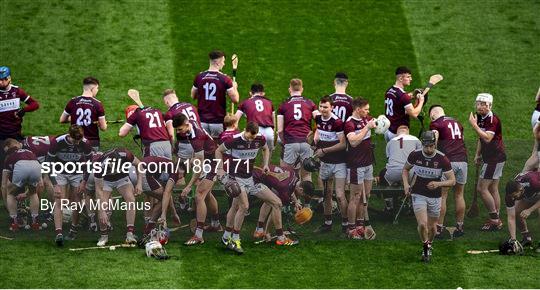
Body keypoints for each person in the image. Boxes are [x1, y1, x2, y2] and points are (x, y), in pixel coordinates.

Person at [215, 121, 271, 254]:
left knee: (235, 207)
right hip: (235, 177)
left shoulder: (259, 138)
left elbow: (266, 148)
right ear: (245, 130)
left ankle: (225, 236)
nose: (251, 139)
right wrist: (220, 169)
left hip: (249, 178)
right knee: (244, 206)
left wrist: (266, 164)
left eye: (253, 137)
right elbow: (218, 150)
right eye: (249, 136)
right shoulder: (234, 140)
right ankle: (235, 238)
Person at [402, 131, 455, 262]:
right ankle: (425, 246)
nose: (429, 149)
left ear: (435, 144)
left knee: (432, 228)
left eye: (432, 146)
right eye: (427, 146)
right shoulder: (415, 155)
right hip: (418, 193)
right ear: (422, 144)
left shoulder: (442, 159)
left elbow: (452, 180)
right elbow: (405, 170)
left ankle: (429, 244)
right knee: (422, 224)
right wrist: (406, 185)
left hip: (435, 196)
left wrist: (438, 183)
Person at [170, 114, 222, 246]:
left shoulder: (196, 136)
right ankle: (216, 224)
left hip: (211, 163)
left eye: (180, 129)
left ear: (186, 124)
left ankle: (198, 236)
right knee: (207, 194)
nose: (178, 132)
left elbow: (198, 168)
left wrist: (188, 186)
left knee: (199, 195)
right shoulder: (191, 124)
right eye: (176, 130)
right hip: (207, 159)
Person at [46, 125, 93, 246]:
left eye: (79, 141)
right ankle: (59, 233)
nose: (77, 143)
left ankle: (73, 229)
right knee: (59, 200)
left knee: (77, 201)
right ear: (69, 135)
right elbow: (48, 164)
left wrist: (84, 181)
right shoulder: (57, 142)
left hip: (77, 172)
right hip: (60, 171)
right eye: (74, 141)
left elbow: (89, 164)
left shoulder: (85, 143)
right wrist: (55, 184)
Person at [468, 93, 506, 231]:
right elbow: (480, 137)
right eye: (478, 103)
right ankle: (496, 217)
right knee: (493, 188)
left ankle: (495, 219)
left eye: (483, 104)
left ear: (489, 105)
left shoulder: (492, 119)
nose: (480, 106)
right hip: (492, 157)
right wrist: (478, 154)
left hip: (494, 158)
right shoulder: (480, 117)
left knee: (482, 188)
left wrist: (474, 126)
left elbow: (488, 138)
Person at [428, 105, 468, 238]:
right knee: (459, 194)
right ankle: (460, 226)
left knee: (442, 196)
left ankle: (439, 228)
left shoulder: (436, 123)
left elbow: (434, 137)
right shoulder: (457, 122)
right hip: (463, 160)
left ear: (433, 114)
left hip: (448, 162)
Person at [252, 164, 314, 245]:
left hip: (258, 171)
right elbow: (274, 212)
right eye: (303, 195)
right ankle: (279, 237)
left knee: (269, 200)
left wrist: (296, 202)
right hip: (253, 180)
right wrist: (268, 231)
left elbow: (290, 187)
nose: (301, 196)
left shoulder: (295, 175)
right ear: (301, 190)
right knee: (276, 204)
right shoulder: (285, 191)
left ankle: (259, 230)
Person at [313, 96, 348, 233]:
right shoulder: (318, 118)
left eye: (325, 107)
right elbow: (319, 133)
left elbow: (343, 144)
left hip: (339, 163)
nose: (322, 110)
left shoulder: (337, 122)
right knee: (326, 194)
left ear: (332, 107)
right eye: (321, 106)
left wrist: (324, 150)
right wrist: (315, 143)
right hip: (325, 163)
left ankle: (346, 224)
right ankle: (327, 223)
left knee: (339, 195)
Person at [92, 148, 141, 246]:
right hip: (105, 180)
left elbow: (139, 165)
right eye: (112, 167)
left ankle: (130, 233)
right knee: (103, 205)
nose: (114, 169)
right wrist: (102, 212)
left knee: (130, 199)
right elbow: (99, 190)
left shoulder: (126, 154)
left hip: (121, 177)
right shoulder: (99, 165)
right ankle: (103, 236)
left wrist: (139, 184)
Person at [344, 98, 377, 239]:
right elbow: (353, 142)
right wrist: (367, 128)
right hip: (356, 165)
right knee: (355, 197)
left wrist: (380, 122)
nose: (368, 112)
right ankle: (351, 228)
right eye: (366, 109)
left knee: (366, 196)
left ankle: (360, 225)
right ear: (358, 109)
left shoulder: (366, 119)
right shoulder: (349, 123)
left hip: (368, 164)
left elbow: (375, 123)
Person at [191, 50, 239, 138]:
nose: (224, 64)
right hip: (217, 121)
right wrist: (235, 87)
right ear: (217, 62)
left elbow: (193, 96)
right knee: (217, 148)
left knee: (204, 147)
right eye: (223, 62)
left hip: (202, 121)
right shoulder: (225, 79)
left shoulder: (199, 77)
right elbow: (235, 100)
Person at [277, 78, 317, 182]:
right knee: (307, 175)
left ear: (289, 89)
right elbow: (321, 123)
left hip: (291, 142)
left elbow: (280, 130)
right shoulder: (310, 103)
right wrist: (313, 137)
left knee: (287, 176)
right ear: (302, 89)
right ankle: (308, 197)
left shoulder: (283, 105)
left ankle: (292, 198)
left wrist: (284, 143)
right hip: (306, 143)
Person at [0, 66, 40, 167]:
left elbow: (35, 104)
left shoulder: (17, 92)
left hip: (15, 134)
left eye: (3, 80)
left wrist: (23, 110)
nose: (0, 82)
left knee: (17, 160)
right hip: (1, 134)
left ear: (9, 79)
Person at [1, 139, 43, 231]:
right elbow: (40, 183)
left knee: (10, 193)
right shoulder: (29, 151)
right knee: (33, 193)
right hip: (36, 166)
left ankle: (14, 222)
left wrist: (6, 203)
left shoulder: (9, 157)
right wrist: (27, 193)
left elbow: (4, 184)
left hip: (21, 167)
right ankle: (35, 222)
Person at [119, 89, 172, 159]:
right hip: (167, 145)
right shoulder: (157, 111)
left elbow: (121, 133)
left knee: (149, 169)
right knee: (167, 168)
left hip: (153, 147)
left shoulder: (136, 114)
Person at [60, 77, 107, 151]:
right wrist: (102, 123)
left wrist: (74, 117)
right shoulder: (98, 104)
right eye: (97, 88)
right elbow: (103, 128)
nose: (97, 90)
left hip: (75, 141)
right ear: (93, 88)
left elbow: (62, 120)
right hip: (92, 142)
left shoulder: (73, 101)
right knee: (90, 162)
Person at [384, 66, 424, 141]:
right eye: (408, 77)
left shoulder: (389, 90)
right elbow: (414, 114)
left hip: (388, 130)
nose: (411, 79)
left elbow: (398, 103)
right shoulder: (403, 96)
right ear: (401, 78)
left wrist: (410, 96)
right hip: (399, 133)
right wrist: (421, 101)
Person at [235, 83, 275, 152]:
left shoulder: (245, 102)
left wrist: (236, 130)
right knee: (268, 152)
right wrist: (273, 132)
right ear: (263, 93)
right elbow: (274, 120)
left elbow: (235, 120)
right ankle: (266, 163)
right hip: (269, 132)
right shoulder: (270, 102)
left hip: (254, 132)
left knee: (250, 153)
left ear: (250, 93)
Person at [504, 171, 540, 248]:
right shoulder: (509, 196)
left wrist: (529, 210)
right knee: (517, 212)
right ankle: (527, 238)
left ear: (520, 190)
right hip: (532, 193)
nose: (513, 198)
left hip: (536, 189)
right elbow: (511, 217)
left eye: (514, 196)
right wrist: (513, 239)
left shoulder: (534, 183)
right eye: (511, 196)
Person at [163, 89, 200, 161]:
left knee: (181, 168)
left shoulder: (170, 113)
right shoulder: (191, 106)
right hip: (200, 141)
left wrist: (172, 147)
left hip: (186, 143)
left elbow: (171, 135)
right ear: (177, 98)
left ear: (166, 102)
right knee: (199, 167)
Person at [522, 87, 540, 172]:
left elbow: (537, 98)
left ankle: (521, 181)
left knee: (535, 153)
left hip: (537, 115)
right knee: (537, 156)